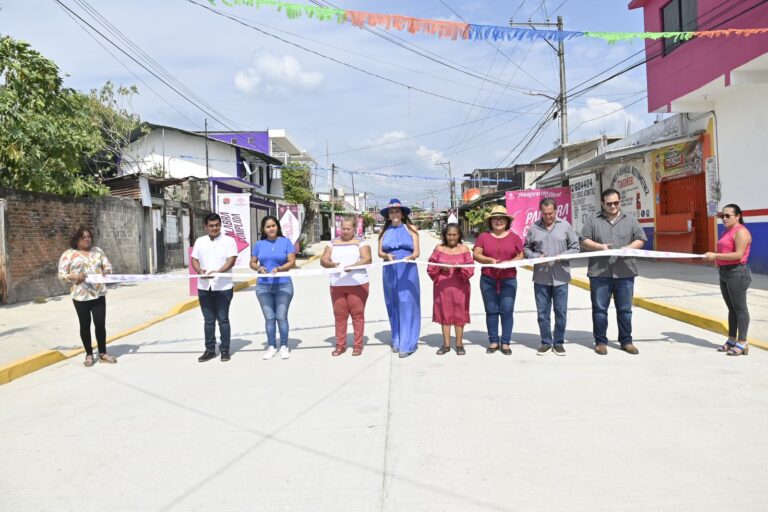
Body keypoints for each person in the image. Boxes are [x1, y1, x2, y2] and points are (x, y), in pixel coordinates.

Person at [581, 188, 647, 355]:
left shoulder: (630, 220)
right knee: (599, 309)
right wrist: (599, 247)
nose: (613, 206)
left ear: (620, 202)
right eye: (609, 203)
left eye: (616, 203)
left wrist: (628, 248)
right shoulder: (593, 220)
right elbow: (584, 240)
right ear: (603, 204)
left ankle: (626, 341)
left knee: (625, 310)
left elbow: (641, 239)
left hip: (625, 272)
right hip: (600, 273)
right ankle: (601, 342)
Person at [524, 198, 580, 356]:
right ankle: (546, 342)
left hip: (561, 277)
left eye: (551, 213)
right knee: (542, 313)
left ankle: (559, 342)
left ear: (556, 211)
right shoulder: (534, 228)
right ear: (540, 212)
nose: (548, 216)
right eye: (545, 213)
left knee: (561, 312)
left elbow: (575, 247)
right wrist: (536, 256)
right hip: (541, 277)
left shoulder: (565, 226)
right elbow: (526, 249)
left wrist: (563, 256)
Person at [58, 225, 117, 367]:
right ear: (77, 239)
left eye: (89, 237)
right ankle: (89, 354)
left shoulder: (97, 252)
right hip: (80, 296)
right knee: (85, 325)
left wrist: (106, 272)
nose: (87, 239)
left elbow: (108, 266)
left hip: (98, 294)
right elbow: (61, 274)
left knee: (100, 324)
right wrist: (75, 277)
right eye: (83, 237)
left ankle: (102, 353)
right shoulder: (69, 254)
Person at [472, 205, 524, 355]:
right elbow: (476, 254)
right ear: (491, 221)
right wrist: (488, 260)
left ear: (507, 221)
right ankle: (493, 341)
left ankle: (506, 342)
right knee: (491, 311)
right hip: (488, 279)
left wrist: (510, 262)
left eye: (502, 218)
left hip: (508, 279)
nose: (499, 221)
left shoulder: (514, 237)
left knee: (507, 311)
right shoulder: (483, 237)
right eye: (495, 218)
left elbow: (521, 255)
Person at [704, 204, 753, 356]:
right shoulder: (727, 231)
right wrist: (716, 260)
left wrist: (716, 256)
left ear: (738, 216)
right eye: (722, 216)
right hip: (725, 273)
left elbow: (738, 255)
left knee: (740, 309)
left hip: (737, 273)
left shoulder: (741, 232)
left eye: (727, 216)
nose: (724, 219)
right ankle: (732, 338)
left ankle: (743, 341)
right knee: (731, 309)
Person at [320, 217, 372, 356]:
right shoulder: (333, 243)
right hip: (337, 285)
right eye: (343, 228)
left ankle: (357, 345)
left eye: (349, 229)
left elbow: (367, 259)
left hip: (357, 284)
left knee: (357, 315)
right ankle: (340, 345)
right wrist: (331, 264)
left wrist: (353, 267)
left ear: (354, 229)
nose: (345, 231)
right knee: (340, 316)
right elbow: (323, 259)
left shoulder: (361, 242)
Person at [191, 213, 238, 362]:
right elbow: (194, 259)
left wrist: (218, 272)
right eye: (211, 225)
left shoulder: (229, 241)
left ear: (220, 225)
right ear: (206, 226)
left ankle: (225, 350)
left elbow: (231, 260)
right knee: (208, 321)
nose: (214, 228)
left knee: (223, 319)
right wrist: (199, 271)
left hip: (223, 287)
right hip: (204, 287)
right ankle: (210, 350)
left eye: (217, 225)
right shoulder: (200, 241)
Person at [378, 199, 421, 358]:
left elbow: (417, 252)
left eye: (397, 211)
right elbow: (380, 252)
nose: (394, 214)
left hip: (407, 267)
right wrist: (386, 255)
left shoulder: (411, 229)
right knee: (393, 302)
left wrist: (409, 257)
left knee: (407, 302)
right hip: (389, 267)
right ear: (388, 216)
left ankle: (408, 343)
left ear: (402, 214)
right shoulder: (384, 231)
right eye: (391, 212)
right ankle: (396, 338)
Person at [251, 215, 296, 360]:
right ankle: (271, 346)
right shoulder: (259, 244)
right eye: (268, 226)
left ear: (278, 226)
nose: (271, 229)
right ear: (263, 229)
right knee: (269, 318)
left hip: (283, 284)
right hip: (263, 286)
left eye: (273, 225)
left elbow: (291, 262)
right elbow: (252, 262)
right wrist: (259, 268)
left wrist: (280, 269)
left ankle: (284, 346)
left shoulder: (286, 242)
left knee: (281, 317)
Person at [427, 223, 474, 355]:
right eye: (449, 235)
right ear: (445, 235)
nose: (452, 237)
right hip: (442, 287)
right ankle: (446, 344)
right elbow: (430, 267)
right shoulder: (439, 248)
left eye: (454, 234)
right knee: (445, 313)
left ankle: (459, 344)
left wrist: (461, 268)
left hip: (460, 287)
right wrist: (440, 267)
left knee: (459, 313)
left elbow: (470, 268)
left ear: (459, 235)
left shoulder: (464, 249)